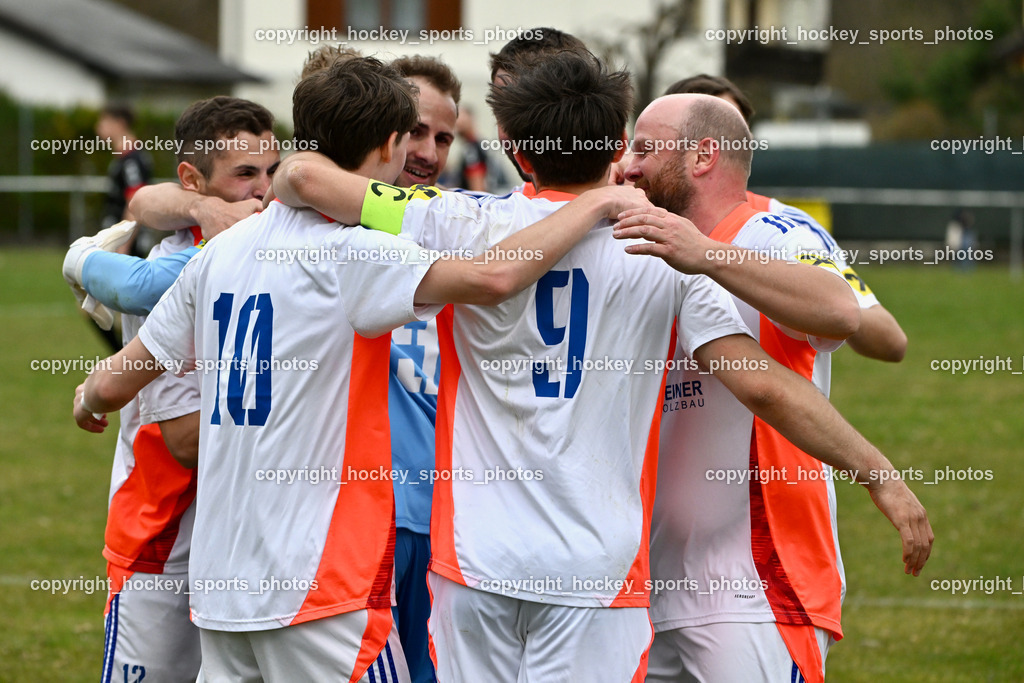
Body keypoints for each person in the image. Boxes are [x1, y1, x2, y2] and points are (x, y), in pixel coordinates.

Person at [271, 51, 932, 682]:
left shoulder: (456, 219)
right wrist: (879, 475)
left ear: (515, 148)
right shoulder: (663, 249)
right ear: (618, 146)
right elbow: (762, 382)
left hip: (473, 559)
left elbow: (305, 178)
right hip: (598, 570)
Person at [74, 56, 646, 682]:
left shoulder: (219, 254)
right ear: (391, 145)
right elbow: (492, 276)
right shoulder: (359, 254)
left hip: (220, 588)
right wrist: (601, 204)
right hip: (322, 589)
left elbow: (115, 379)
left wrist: (87, 398)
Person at [614, 93, 930, 683]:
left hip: (757, 581)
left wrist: (705, 254)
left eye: (644, 149)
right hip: (646, 577)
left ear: (703, 156)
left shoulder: (776, 229)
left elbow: (841, 311)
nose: (629, 166)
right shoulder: (638, 237)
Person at [87, 96, 279, 683]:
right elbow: (186, 441)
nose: (265, 192)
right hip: (164, 543)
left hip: (249, 541)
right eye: (245, 175)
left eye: (273, 170)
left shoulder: (275, 252)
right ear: (195, 181)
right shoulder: (171, 277)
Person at [664, 74, 908, 363]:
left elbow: (891, 341)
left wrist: (814, 302)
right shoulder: (635, 221)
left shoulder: (786, 224)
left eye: (736, 131)